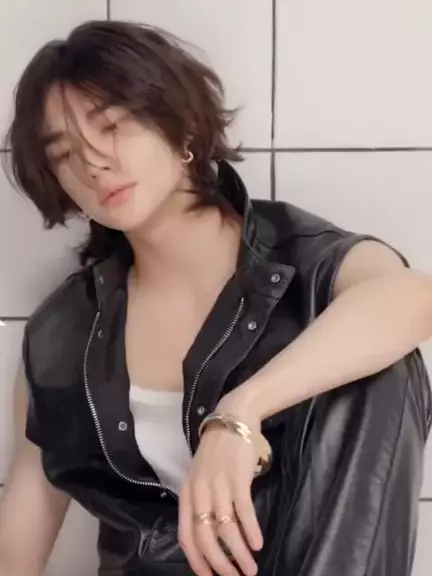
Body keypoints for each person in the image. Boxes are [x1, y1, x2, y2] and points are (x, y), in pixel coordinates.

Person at [0, 19, 431, 576]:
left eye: (113, 125)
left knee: (384, 365)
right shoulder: (63, 330)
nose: (93, 163)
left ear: (180, 125)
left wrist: (240, 413)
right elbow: (19, 543)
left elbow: (413, 298)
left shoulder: (303, 260)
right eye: (64, 154)